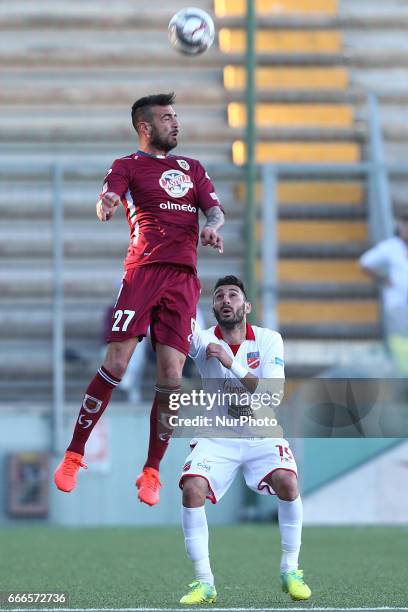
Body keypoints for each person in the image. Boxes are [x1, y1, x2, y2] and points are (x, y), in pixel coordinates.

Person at [54, 93, 225, 504]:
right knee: (116, 362)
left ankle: (151, 470)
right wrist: (106, 203)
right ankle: (74, 454)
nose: (176, 123)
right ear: (145, 127)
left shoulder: (193, 169)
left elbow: (215, 211)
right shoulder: (127, 166)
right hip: (143, 273)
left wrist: (212, 226)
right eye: (167, 118)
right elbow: (105, 201)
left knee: (170, 376)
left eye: (176, 116)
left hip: (183, 281)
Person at [177, 275, 311, 604]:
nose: (226, 300)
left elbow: (273, 396)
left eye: (233, 295)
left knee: (288, 483)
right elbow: (182, 326)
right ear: (212, 308)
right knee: (192, 487)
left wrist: (231, 362)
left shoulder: (268, 340)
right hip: (216, 435)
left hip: (261, 432)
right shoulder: (203, 340)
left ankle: (290, 570)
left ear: (246, 306)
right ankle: (204, 581)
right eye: (220, 295)